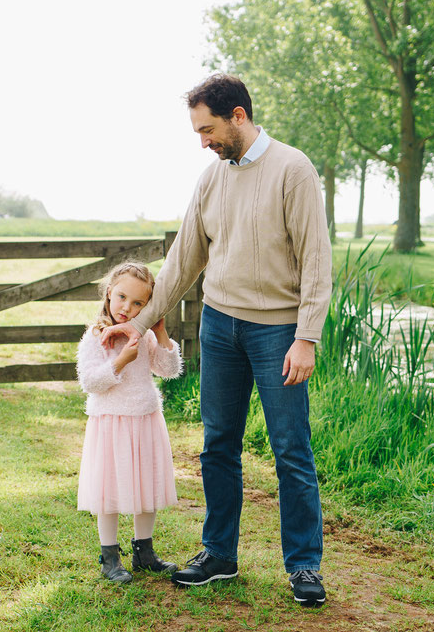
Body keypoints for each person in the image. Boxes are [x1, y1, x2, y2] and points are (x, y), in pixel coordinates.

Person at [100, 74, 332, 607]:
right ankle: (219, 555)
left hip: (277, 331)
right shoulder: (211, 178)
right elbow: (183, 261)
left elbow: (317, 260)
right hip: (220, 326)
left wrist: (307, 337)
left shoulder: (293, 170)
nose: (203, 141)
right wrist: (135, 325)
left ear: (239, 116)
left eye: (207, 129)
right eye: (198, 131)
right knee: (217, 445)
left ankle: (302, 566)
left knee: (290, 448)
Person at [76, 261, 183, 583]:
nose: (127, 307)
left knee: (146, 487)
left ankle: (144, 552)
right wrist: (121, 361)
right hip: (110, 423)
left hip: (145, 420)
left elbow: (169, 369)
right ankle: (109, 556)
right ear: (109, 293)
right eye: (122, 297)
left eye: (139, 303)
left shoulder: (146, 335)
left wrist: (161, 332)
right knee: (109, 491)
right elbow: (91, 383)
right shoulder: (96, 338)